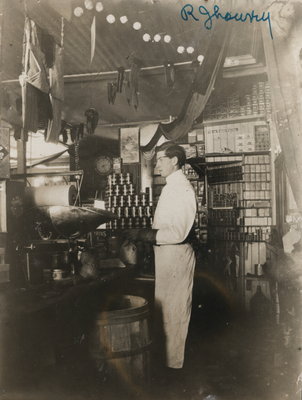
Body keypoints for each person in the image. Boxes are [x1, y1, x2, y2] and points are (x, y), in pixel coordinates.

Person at [124, 141, 196, 369]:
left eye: (162, 159)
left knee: (175, 314)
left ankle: (175, 370)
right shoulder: (170, 187)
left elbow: (177, 232)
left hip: (175, 256)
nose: (157, 164)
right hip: (167, 257)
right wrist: (145, 237)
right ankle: (168, 365)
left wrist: (144, 234)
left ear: (175, 160)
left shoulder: (182, 188)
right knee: (166, 313)